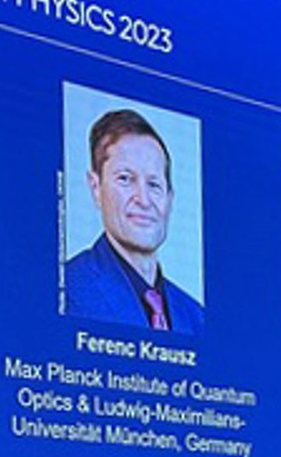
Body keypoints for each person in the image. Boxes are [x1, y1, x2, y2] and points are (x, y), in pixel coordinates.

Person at [65, 109, 203, 332]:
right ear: (95, 187)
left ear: (170, 198)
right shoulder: (67, 290)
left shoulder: (197, 316)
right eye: (126, 179)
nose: (144, 200)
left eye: (154, 184)